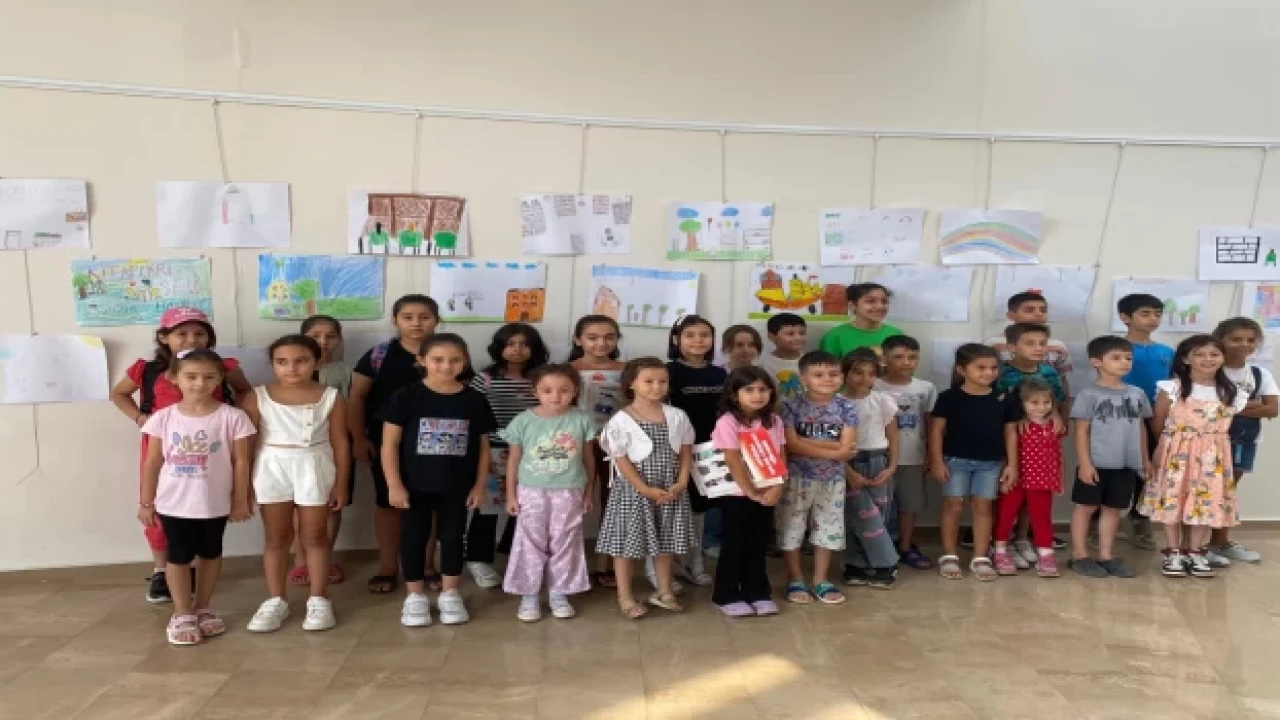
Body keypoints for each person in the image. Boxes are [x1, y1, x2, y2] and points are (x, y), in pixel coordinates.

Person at [111, 307, 252, 604]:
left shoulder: (224, 367)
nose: (191, 339)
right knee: (161, 510)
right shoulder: (148, 370)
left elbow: (245, 393)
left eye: (199, 333)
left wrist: (235, 422)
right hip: (162, 445)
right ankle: (162, 570)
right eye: (181, 333)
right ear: (164, 337)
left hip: (209, 448)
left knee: (204, 508)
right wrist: (140, 418)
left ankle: (195, 573)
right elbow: (118, 393)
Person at [137, 349, 255, 645]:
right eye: (191, 377)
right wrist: (146, 502)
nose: (200, 384)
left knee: (211, 553)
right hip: (173, 503)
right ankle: (182, 613)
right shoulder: (163, 418)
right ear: (174, 378)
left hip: (214, 503)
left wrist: (241, 499)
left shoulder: (234, 417)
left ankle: (203, 607)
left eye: (208, 377)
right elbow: (152, 462)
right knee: (178, 555)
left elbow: (242, 461)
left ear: (220, 378)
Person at [381, 333, 496, 626]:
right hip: (413, 485)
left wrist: (480, 485)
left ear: (465, 361)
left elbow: (484, 446)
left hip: (457, 486)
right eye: (438, 360)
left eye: (454, 360)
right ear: (422, 360)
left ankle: (450, 593)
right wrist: (394, 484)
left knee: (453, 537)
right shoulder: (405, 396)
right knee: (413, 538)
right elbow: (389, 444)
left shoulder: (474, 400)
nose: (446, 366)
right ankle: (415, 596)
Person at [241, 335, 350, 633]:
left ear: (316, 362)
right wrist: (244, 487)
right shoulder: (256, 397)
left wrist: (341, 483)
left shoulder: (331, 397)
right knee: (277, 537)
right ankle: (276, 599)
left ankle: (319, 598)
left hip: (314, 465)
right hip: (271, 467)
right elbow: (246, 445)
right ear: (273, 364)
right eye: (282, 362)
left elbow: (341, 442)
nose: (292, 368)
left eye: (301, 361)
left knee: (315, 535)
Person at [348, 295, 439, 596]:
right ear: (395, 320)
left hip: (436, 445)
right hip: (385, 444)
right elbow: (357, 397)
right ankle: (387, 568)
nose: (416, 323)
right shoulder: (379, 355)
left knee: (430, 507)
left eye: (424, 317)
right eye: (408, 317)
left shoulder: (446, 352)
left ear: (436, 321)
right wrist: (358, 438)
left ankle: (427, 566)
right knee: (388, 505)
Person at [1139, 335, 1247, 578]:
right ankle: (1174, 552)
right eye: (1200, 354)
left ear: (1223, 357)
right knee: (1173, 498)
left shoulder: (1230, 391)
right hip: (1176, 453)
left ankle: (1195, 551)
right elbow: (1157, 422)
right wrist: (1168, 448)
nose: (1208, 359)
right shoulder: (1172, 388)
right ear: (1186, 359)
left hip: (1212, 457)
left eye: (1214, 354)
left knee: (1205, 500)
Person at [596, 358, 696, 619]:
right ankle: (625, 596)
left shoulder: (677, 416)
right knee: (625, 546)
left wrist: (682, 481)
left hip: (669, 489)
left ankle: (664, 591)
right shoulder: (621, 419)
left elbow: (686, 451)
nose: (656, 386)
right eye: (648, 381)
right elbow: (621, 460)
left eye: (662, 381)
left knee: (665, 542)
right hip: (634, 491)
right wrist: (644, 488)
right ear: (632, 384)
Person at [500, 364, 596, 622]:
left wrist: (589, 492)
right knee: (529, 541)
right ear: (535, 392)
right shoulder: (523, 421)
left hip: (570, 491)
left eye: (564, 390)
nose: (556, 396)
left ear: (575, 391)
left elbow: (589, 459)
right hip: (531, 491)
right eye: (548, 390)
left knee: (565, 540)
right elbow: (513, 460)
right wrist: (511, 495)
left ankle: (559, 593)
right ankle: (529, 595)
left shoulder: (582, 419)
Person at [982, 292, 1073, 552]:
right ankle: (1000, 539)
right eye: (1030, 343)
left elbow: (1058, 398)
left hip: (1040, 442)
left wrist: (1058, 415)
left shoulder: (1050, 373)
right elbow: (996, 404)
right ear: (1012, 347)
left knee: (1034, 490)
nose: (1038, 348)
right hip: (1009, 439)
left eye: (1042, 343)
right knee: (1008, 489)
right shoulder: (1002, 375)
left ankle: (1022, 537)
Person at [465, 323, 547, 589]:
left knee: (526, 506)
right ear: (499, 347)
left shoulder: (542, 378)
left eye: (524, 344)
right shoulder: (485, 378)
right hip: (493, 450)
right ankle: (478, 559)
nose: (517, 349)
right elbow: (472, 414)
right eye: (511, 344)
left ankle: (514, 553)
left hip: (534, 452)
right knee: (487, 506)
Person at [1066, 336, 1152, 579]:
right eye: (1116, 358)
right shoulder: (1088, 394)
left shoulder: (1137, 394)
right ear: (1096, 362)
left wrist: (1144, 459)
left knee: (1113, 509)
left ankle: (1106, 555)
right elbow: (1081, 431)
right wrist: (1085, 464)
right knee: (1085, 508)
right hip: (1096, 463)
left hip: (1125, 463)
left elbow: (1141, 427)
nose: (1124, 362)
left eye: (1128, 358)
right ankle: (1079, 555)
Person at [929, 343, 1016, 581]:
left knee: (983, 506)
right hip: (955, 461)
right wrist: (936, 461)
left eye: (993, 368)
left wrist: (1012, 464)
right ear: (961, 369)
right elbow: (936, 430)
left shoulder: (1004, 399)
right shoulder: (948, 398)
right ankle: (949, 555)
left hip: (991, 463)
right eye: (981, 367)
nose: (989, 373)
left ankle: (980, 556)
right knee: (953, 505)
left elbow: (1010, 433)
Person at [778, 351, 858, 605]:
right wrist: (834, 450)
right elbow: (791, 444)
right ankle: (795, 578)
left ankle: (821, 579)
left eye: (833, 374)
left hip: (833, 479)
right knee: (791, 527)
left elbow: (848, 445)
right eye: (818, 374)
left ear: (842, 377)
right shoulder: (790, 406)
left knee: (828, 528)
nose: (827, 379)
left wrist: (807, 443)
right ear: (804, 378)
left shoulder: (846, 407)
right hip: (796, 478)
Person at [710, 366, 784, 617]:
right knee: (734, 545)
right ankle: (726, 595)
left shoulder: (774, 421)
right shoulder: (728, 422)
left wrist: (778, 485)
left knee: (757, 544)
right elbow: (732, 460)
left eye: (763, 389)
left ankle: (758, 592)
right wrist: (750, 492)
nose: (757, 395)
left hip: (767, 493)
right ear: (734, 394)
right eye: (749, 389)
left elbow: (780, 455)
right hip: (736, 495)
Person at [1207, 318, 1278, 566]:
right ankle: (1192, 547)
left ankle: (1219, 542)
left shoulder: (1260, 374)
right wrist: (1252, 404)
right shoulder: (1208, 370)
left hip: (1243, 442)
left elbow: (1272, 409)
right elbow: (1202, 408)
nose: (1244, 345)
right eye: (1236, 339)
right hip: (1204, 443)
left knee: (1227, 492)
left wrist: (1229, 407)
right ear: (1220, 339)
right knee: (1201, 491)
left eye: (1250, 340)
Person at [291, 315, 354, 587]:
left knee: (332, 503)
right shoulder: (292, 369)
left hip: (336, 445)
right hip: (299, 448)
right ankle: (300, 561)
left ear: (339, 340)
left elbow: (353, 406)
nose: (323, 342)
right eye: (315, 336)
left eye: (330, 336)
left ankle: (324, 559)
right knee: (300, 506)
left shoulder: (346, 371)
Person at [664, 315, 726, 589]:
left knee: (701, 509)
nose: (698, 341)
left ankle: (695, 562)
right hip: (675, 449)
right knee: (674, 507)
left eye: (704, 335)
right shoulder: (667, 372)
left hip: (710, 450)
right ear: (676, 339)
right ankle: (668, 567)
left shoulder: (720, 374)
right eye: (690, 335)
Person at [569, 314, 627, 589]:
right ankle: (570, 565)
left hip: (616, 442)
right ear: (578, 339)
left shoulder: (627, 369)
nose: (601, 343)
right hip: (574, 441)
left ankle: (607, 564)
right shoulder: (567, 369)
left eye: (609, 337)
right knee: (571, 501)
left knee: (612, 500)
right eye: (592, 338)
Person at [874, 334, 937, 570]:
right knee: (879, 506)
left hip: (913, 457)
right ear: (884, 359)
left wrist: (931, 454)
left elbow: (930, 424)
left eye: (912, 357)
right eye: (898, 357)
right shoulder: (874, 386)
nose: (906, 362)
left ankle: (906, 546)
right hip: (879, 457)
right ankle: (880, 548)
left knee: (910, 505)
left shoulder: (926, 388)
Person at [1117, 293, 1174, 551]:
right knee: (1114, 470)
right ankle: (1101, 522)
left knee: (1149, 470)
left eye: (1158, 314)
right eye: (1145, 313)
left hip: (1155, 419)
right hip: (1119, 419)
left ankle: (1139, 519)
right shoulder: (1114, 349)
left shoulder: (1167, 352)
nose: (1153, 319)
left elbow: (1174, 386)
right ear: (1125, 317)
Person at [993, 378, 1066, 578]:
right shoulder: (1016, 426)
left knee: (1041, 517)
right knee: (1006, 514)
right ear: (1022, 403)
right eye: (1034, 402)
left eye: (1046, 402)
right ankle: (1000, 551)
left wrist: (1059, 479)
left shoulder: (1055, 426)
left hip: (1042, 482)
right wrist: (1005, 474)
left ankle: (1046, 555)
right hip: (1015, 480)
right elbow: (1007, 451)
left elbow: (1058, 455)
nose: (1041, 407)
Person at [839, 349, 899, 590]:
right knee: (857, 515)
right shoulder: (836, 403)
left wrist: (891, 466)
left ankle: (874, 564)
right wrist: (848, 471)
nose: (864, 378)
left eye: (871, 373)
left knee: (877, 515)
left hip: (877, 461)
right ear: (844, 373)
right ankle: (872, 563)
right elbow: (832, 441)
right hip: (848, 462)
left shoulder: (882, 400)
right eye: (857, 372)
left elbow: (893, 437)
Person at [819, 283, 903, 360]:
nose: (880, 306)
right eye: (871, 301)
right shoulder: (834, 337)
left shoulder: (896, 335)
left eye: (884, 302)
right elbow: (827, 369)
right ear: (852, 305)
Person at [759, 313, 808, 400]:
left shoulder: (810, 361)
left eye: (802, 333)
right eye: (790, 334)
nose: (798, 338)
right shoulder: (761, 364)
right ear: (771, 337)